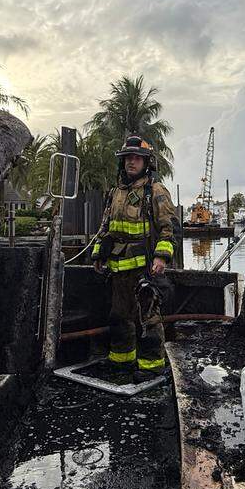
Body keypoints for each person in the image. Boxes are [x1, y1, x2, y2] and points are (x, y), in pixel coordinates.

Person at [91, 135, 176, 378]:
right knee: (119, 317)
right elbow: (104, 228)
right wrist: (98, 254)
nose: (132, 162)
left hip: (145, 269)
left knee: (148, 320)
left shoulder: (155, 191)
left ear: (146, 163)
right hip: (118, 269)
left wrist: (161, 257)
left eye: (137, 158)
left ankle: (151, 367)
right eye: (128, 158)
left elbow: (168, 228)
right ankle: (121, 361)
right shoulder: (115, 193)